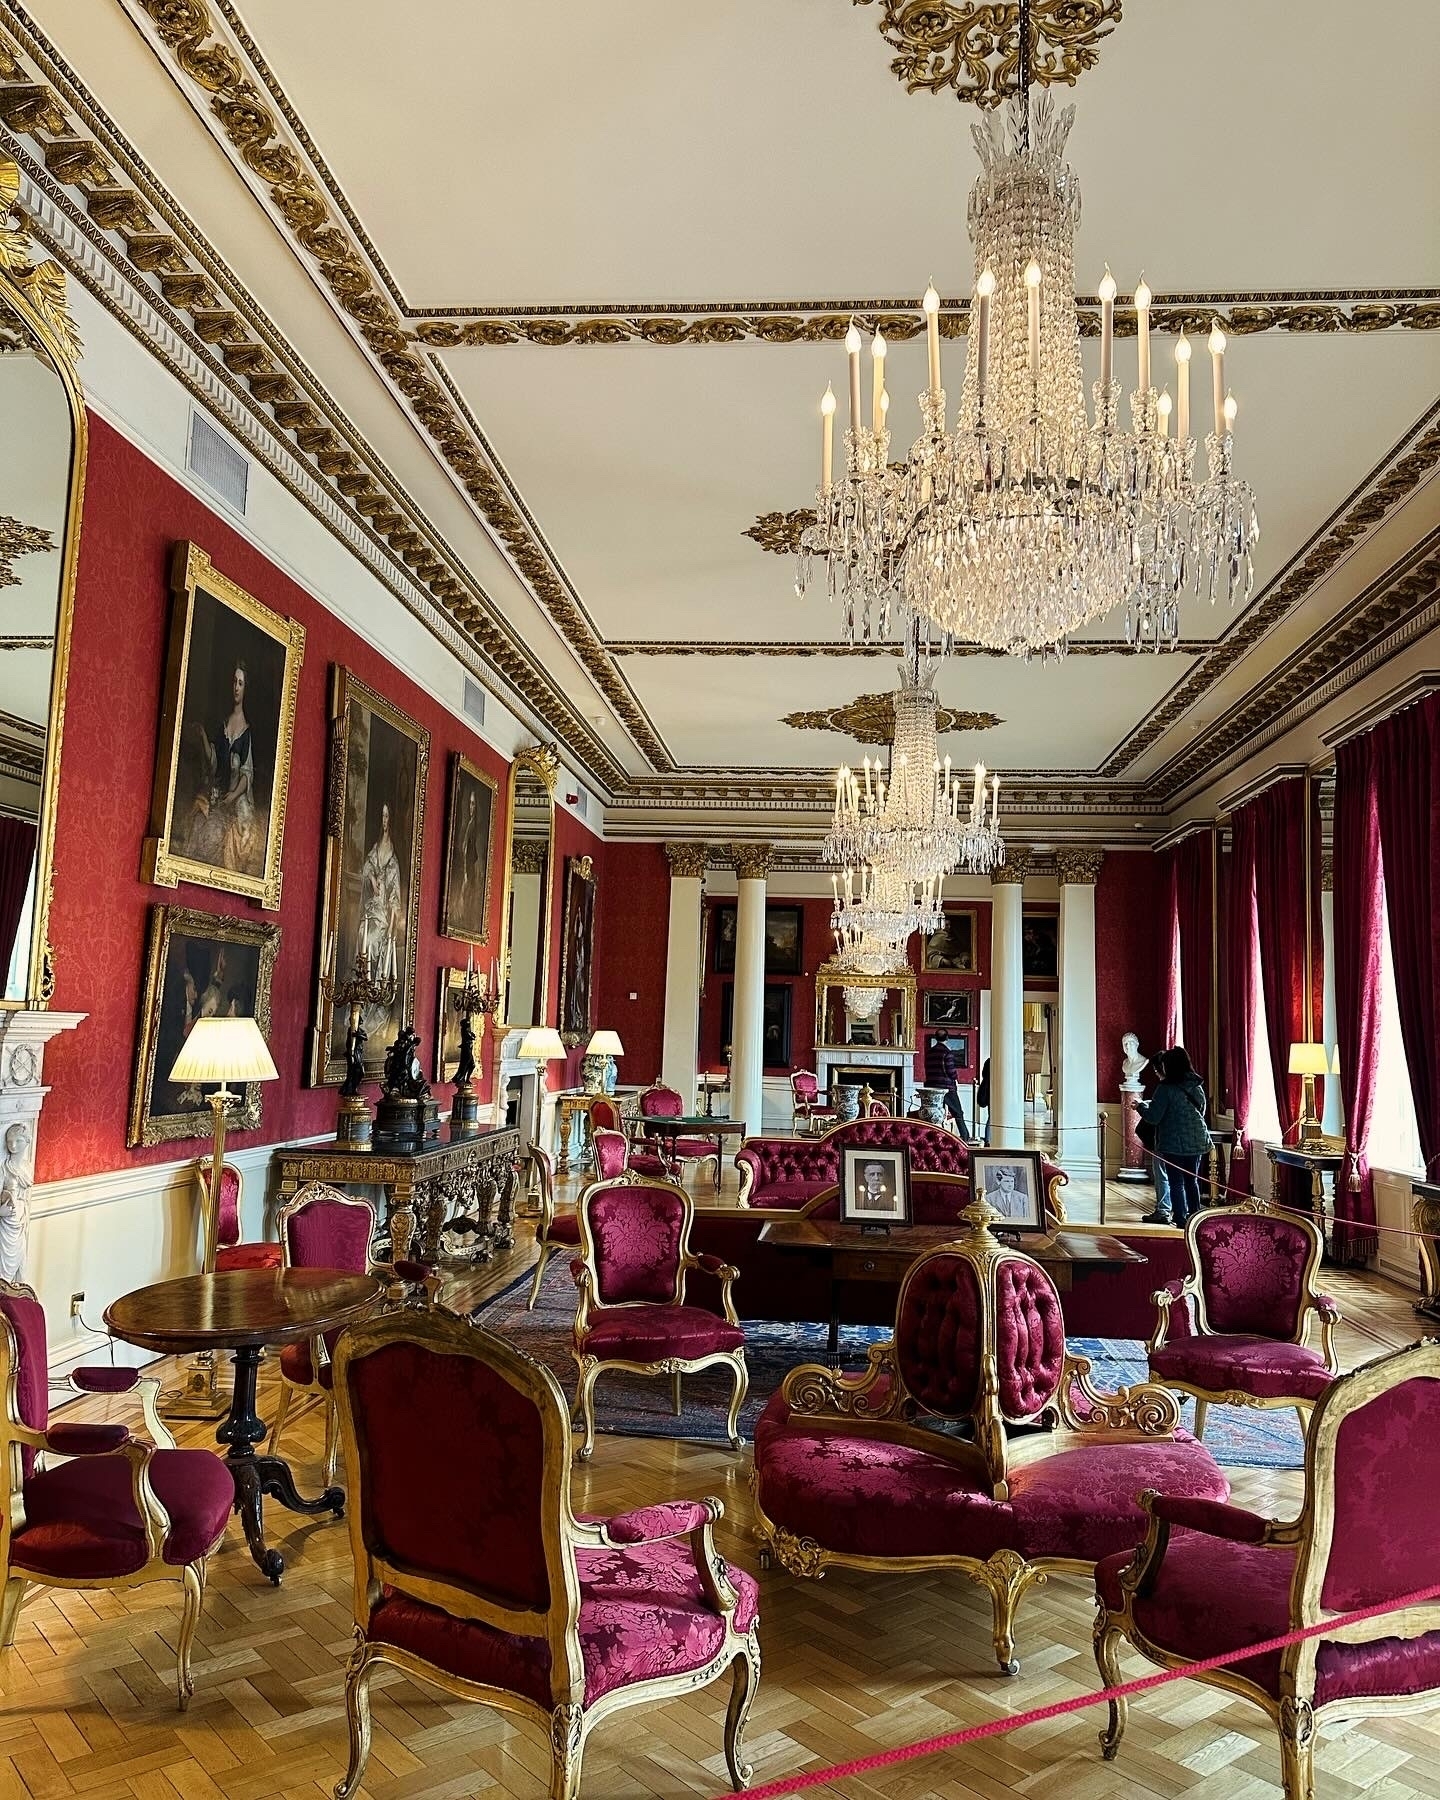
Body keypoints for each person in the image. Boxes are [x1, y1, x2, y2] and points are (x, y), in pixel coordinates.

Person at [1136, 1046, 1209, 1229]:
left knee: (1176, 1182)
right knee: (1192, 1181)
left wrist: (1140, 1107)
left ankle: (1181, 1220)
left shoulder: (1165, 1088)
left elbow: (1154, 1117)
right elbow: (1201, 1110)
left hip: (1173, 1142)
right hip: (1197, 1140)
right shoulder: (1196, 1085)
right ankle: (1195, 1216)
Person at [924, 1031, 971, 1135]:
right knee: (958, 1113)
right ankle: (965, 1137)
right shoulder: (947, 1052)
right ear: (947, 1038)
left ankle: (935, 1137)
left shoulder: (929, 1052)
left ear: (936, 1038)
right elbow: (951, 1072)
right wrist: (955, 1078)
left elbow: (926, 1069)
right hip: (946, 1087)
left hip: (931, 1087)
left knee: (934, 1116)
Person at [976, 1056, 991, 1144]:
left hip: (988, 1092)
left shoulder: (988, 1061)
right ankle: (988, 1140)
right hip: (994, 1092)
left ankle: (988, 1140)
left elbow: (983, 1074)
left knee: (991, 1117)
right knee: (992, 1118)